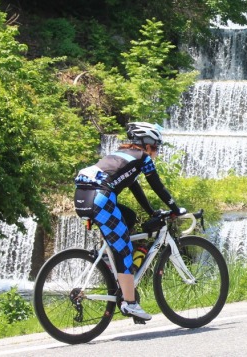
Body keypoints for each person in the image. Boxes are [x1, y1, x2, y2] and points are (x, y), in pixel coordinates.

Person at [73, 121, 185, 321]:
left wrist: (151, 211)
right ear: (147, 144)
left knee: (130, 218)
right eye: (156, 147)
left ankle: (110, 264)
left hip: (83, 196)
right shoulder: (143, 158)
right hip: (100, 198)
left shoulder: (120, 156)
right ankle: (130, 303)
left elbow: (136, 189)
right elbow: (157, 186)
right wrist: (175, 209)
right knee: (124, 249)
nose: (157, 151)